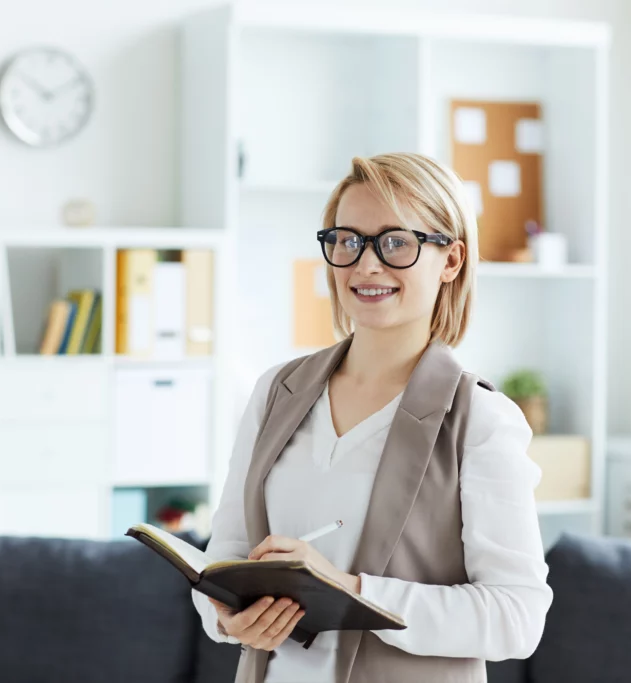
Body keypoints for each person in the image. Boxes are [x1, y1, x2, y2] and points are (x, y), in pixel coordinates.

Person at [191, 152, 553, 683]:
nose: (364, 264)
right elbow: (225, 555)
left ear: (450, 260)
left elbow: (517, 618)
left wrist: (351, 591)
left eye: (396, 243)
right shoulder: (276, 392)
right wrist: (225, 617)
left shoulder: (480, 418)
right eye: (347, 239)